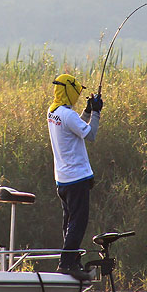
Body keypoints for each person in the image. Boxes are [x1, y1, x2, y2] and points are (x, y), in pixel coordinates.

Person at [47, 73, 103, 281]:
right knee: (78, 223)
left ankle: (72, 260)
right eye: (76, 92)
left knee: (69, 223)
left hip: (62, 179)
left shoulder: (53, 112)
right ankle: (67, 263)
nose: (77, 96)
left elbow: (75, 127)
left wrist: (87, 111)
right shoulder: (67, 116)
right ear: (69, 91)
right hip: (76, 179)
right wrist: (96, 113)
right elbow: (91, 134)